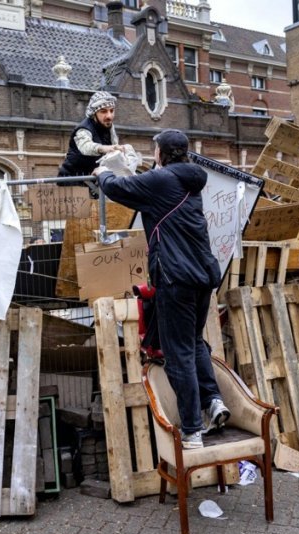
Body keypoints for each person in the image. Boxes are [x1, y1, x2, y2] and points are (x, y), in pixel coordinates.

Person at [93, 129, 229, 450]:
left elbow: (118, 187)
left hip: (176, 278)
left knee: (178, 352)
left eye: (154, 149)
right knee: (194, 342)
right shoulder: (187, 180)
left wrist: (102, 173)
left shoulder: (162, 181)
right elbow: (152, 191)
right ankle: (213, 401)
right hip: (201, 275)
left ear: (161, 153)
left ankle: (193, 430)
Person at [58, 91, 124, 195]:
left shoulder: (109, 127)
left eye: (111, 111)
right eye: (103, 111)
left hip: (92, 183)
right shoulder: (83, 129)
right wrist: (104, 148)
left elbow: (114, 145)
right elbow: (86, 147)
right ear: (94, 113)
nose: (109, 116)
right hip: (72, 183)